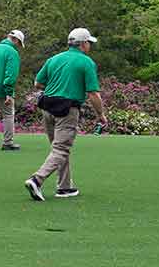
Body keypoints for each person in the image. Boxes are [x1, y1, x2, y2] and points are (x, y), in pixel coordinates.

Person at [25, 27, 109, 201]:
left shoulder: (54, 59)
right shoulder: (86, 62)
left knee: (58, 149)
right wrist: (101, 115)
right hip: (67, 109)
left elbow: (38, 84)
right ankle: (37, 179)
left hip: (47, 106)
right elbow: (93, 93)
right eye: (89, 43)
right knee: (61, 149)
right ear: (83, 44)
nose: (90, 46)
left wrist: (56, 85)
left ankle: (64, 187)